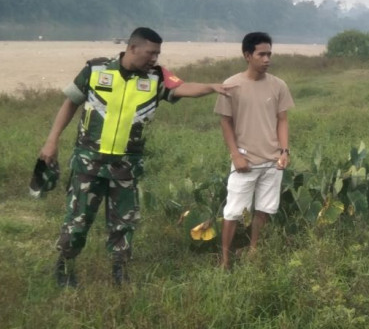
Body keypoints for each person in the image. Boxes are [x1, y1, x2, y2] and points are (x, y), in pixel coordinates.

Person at [39, 27, 234, 287]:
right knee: (77, 220)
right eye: (150, 52)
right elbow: (70, 103)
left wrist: (211, 87)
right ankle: (65, 265)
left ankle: (120, 272)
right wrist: (52, 141)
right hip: (88, 163)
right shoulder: (96, 70)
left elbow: (183, 88)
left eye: (158, 53)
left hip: (126, 167)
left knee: (123, 224)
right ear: (132, 48)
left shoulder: (155, 78)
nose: (154, 58)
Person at [215, 32, 294, 270]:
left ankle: (253, 250)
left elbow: (283, 120)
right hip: (244, 162)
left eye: (269, 53)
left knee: (264, 209)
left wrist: (284, 151)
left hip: (272, 162)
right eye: (262, 54)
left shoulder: (278, 85)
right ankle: (225, 259)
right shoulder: (231, 85)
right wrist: (236, 155)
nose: (267, 59)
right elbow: (225, 123)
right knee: (233, 212)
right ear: (247, 55)